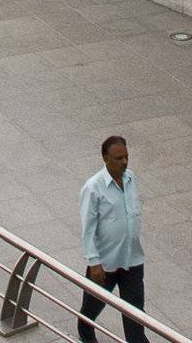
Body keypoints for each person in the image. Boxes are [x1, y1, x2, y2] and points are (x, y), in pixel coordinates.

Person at [78, 136, 147, 343]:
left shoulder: (131, 178)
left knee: (135, 316)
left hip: (132, 260)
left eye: (126, 157)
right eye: (118, 158)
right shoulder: (93, 187)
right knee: (91, 310)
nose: (124, 162)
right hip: (104, 264)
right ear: (106, 159)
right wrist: (94, 262)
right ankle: (86, 333)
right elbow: (88, 228)